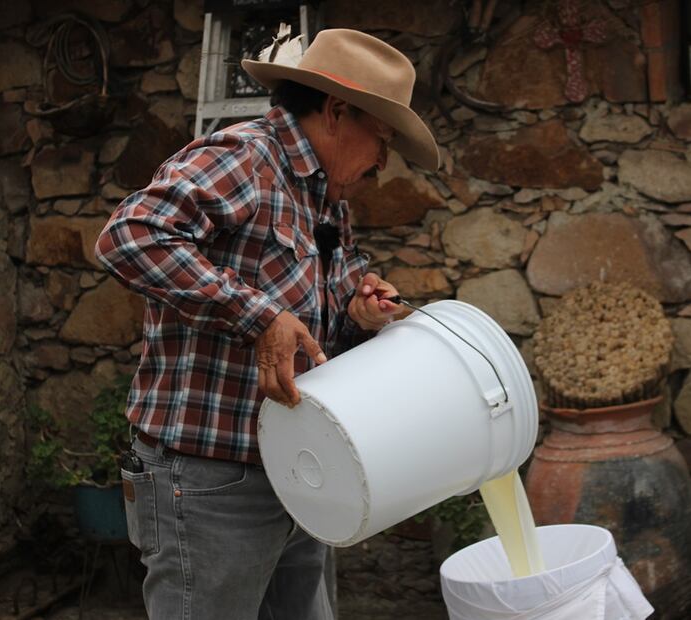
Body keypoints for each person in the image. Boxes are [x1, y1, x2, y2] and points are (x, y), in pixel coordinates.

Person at [94, 29, 440, 619]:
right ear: (335, 111)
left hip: (300, 471)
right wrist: (257, 316)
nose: (384, 162)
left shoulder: (329, 202)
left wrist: (358, 317)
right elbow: (131, 236)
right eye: (382, 139)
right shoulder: (244, 155)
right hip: (210, 481)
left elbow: (314, 329)